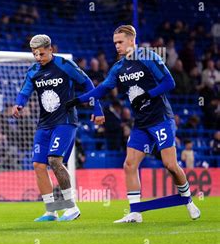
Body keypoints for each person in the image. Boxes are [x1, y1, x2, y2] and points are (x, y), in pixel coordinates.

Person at [66, 25, 201, 223]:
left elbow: (169, 82)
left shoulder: (148, 57)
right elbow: (102, 89)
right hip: (141, 124)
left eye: (120, 42)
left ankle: (189, 201)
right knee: (129, 164)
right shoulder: (118, 68)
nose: (117, 46)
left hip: (161, 119)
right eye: (115, 43)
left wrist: (148, 94)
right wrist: (78, 100)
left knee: (170, 165)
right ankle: (135, 212)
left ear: (132, 40)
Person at [12, 34, 105, 222]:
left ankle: (71, 208)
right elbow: (24, 92)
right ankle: (51, 211)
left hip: (65, 120)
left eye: (42, 54)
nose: (38, 58)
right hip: (44, 124)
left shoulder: (65, 65)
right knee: (38, 165)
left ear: (51, 50)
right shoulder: (33, 71)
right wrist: (18, 104)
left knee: (54, 160)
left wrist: (97, 107)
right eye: (35, 54)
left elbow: (87, 83)